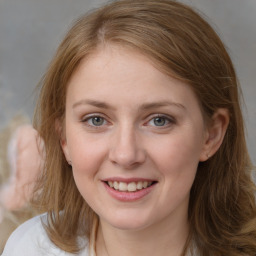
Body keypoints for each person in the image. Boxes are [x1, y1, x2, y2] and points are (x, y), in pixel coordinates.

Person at [2, 0, 256, 255]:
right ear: (64, 139)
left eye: (159, 120)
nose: (125, 155)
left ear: (211, 135)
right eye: (96, 120)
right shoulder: (29, 247)